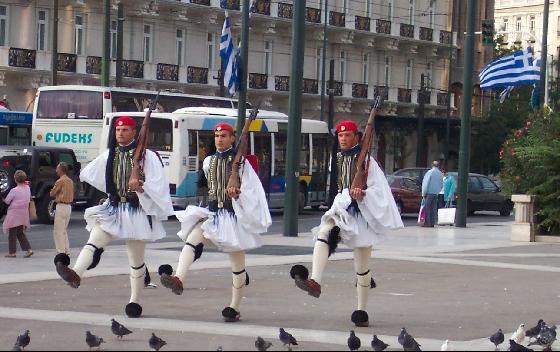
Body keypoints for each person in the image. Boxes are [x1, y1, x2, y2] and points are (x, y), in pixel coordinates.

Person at [54, 116, 174, 318]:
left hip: (136, 210)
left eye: (126, 130)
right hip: (114, 208)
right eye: (118, 130)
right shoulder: (111, 154)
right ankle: (75, 274)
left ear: (134, 132)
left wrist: (142, 185)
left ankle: (134, 301)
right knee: (94, 241)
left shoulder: (147, 157)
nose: (121, 133)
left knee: (135, 260)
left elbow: (159, 184)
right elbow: (92, 172)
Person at [290, 120, 403, 327]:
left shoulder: (368, 161)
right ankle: (315, 281)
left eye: (347, 135)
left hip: (363, 213)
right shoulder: (338, 158)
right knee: (324, 232)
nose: (343, 139)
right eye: (340, 136)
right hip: (342, 208)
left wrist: (363, 193)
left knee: (361, 266)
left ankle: (361, 311)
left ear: (356, 137)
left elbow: (380, 190)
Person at [158, 122, 271, 323]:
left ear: (233, 138)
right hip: (213, 214)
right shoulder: (208, 161)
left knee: (237, 266)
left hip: (233, 218)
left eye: (224, 136)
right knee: (192, 239)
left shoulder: (242, 163)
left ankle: (234, 307)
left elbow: (255, 192)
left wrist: (238, 195)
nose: (220, 139)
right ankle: (178, 279)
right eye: (217, 136)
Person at [3, 170, 33, 258]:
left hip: (14, 213)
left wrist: (3, 199)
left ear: (15, 179)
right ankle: (29, 249)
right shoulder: (27, 188)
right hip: (23, 213)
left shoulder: (14, 190)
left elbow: (7, 201)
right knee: (20, 232)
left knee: (12, 233)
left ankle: (12, 252)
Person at [50, 162, 74, 254]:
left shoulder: (60, 181)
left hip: (61, 206)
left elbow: (52, 193)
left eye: (57, 168)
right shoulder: (70, 181)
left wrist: (52, 191)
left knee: (58, 231)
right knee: (63, 230)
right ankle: (66, 249)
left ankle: (61, 251)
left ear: (60, 170)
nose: (56, 170)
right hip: (68, 207)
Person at [421, 161, 444, 227]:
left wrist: (423, 193)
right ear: (438, 166)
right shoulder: (440, 173)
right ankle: (432, 223)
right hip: (436, 193)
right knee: (433, 208)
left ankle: (427, 223)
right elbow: (441, 184)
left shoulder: (430, 172)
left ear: (432, 165)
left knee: (427, 208)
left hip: (429, 192)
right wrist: (438, 191)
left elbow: (425, 184)